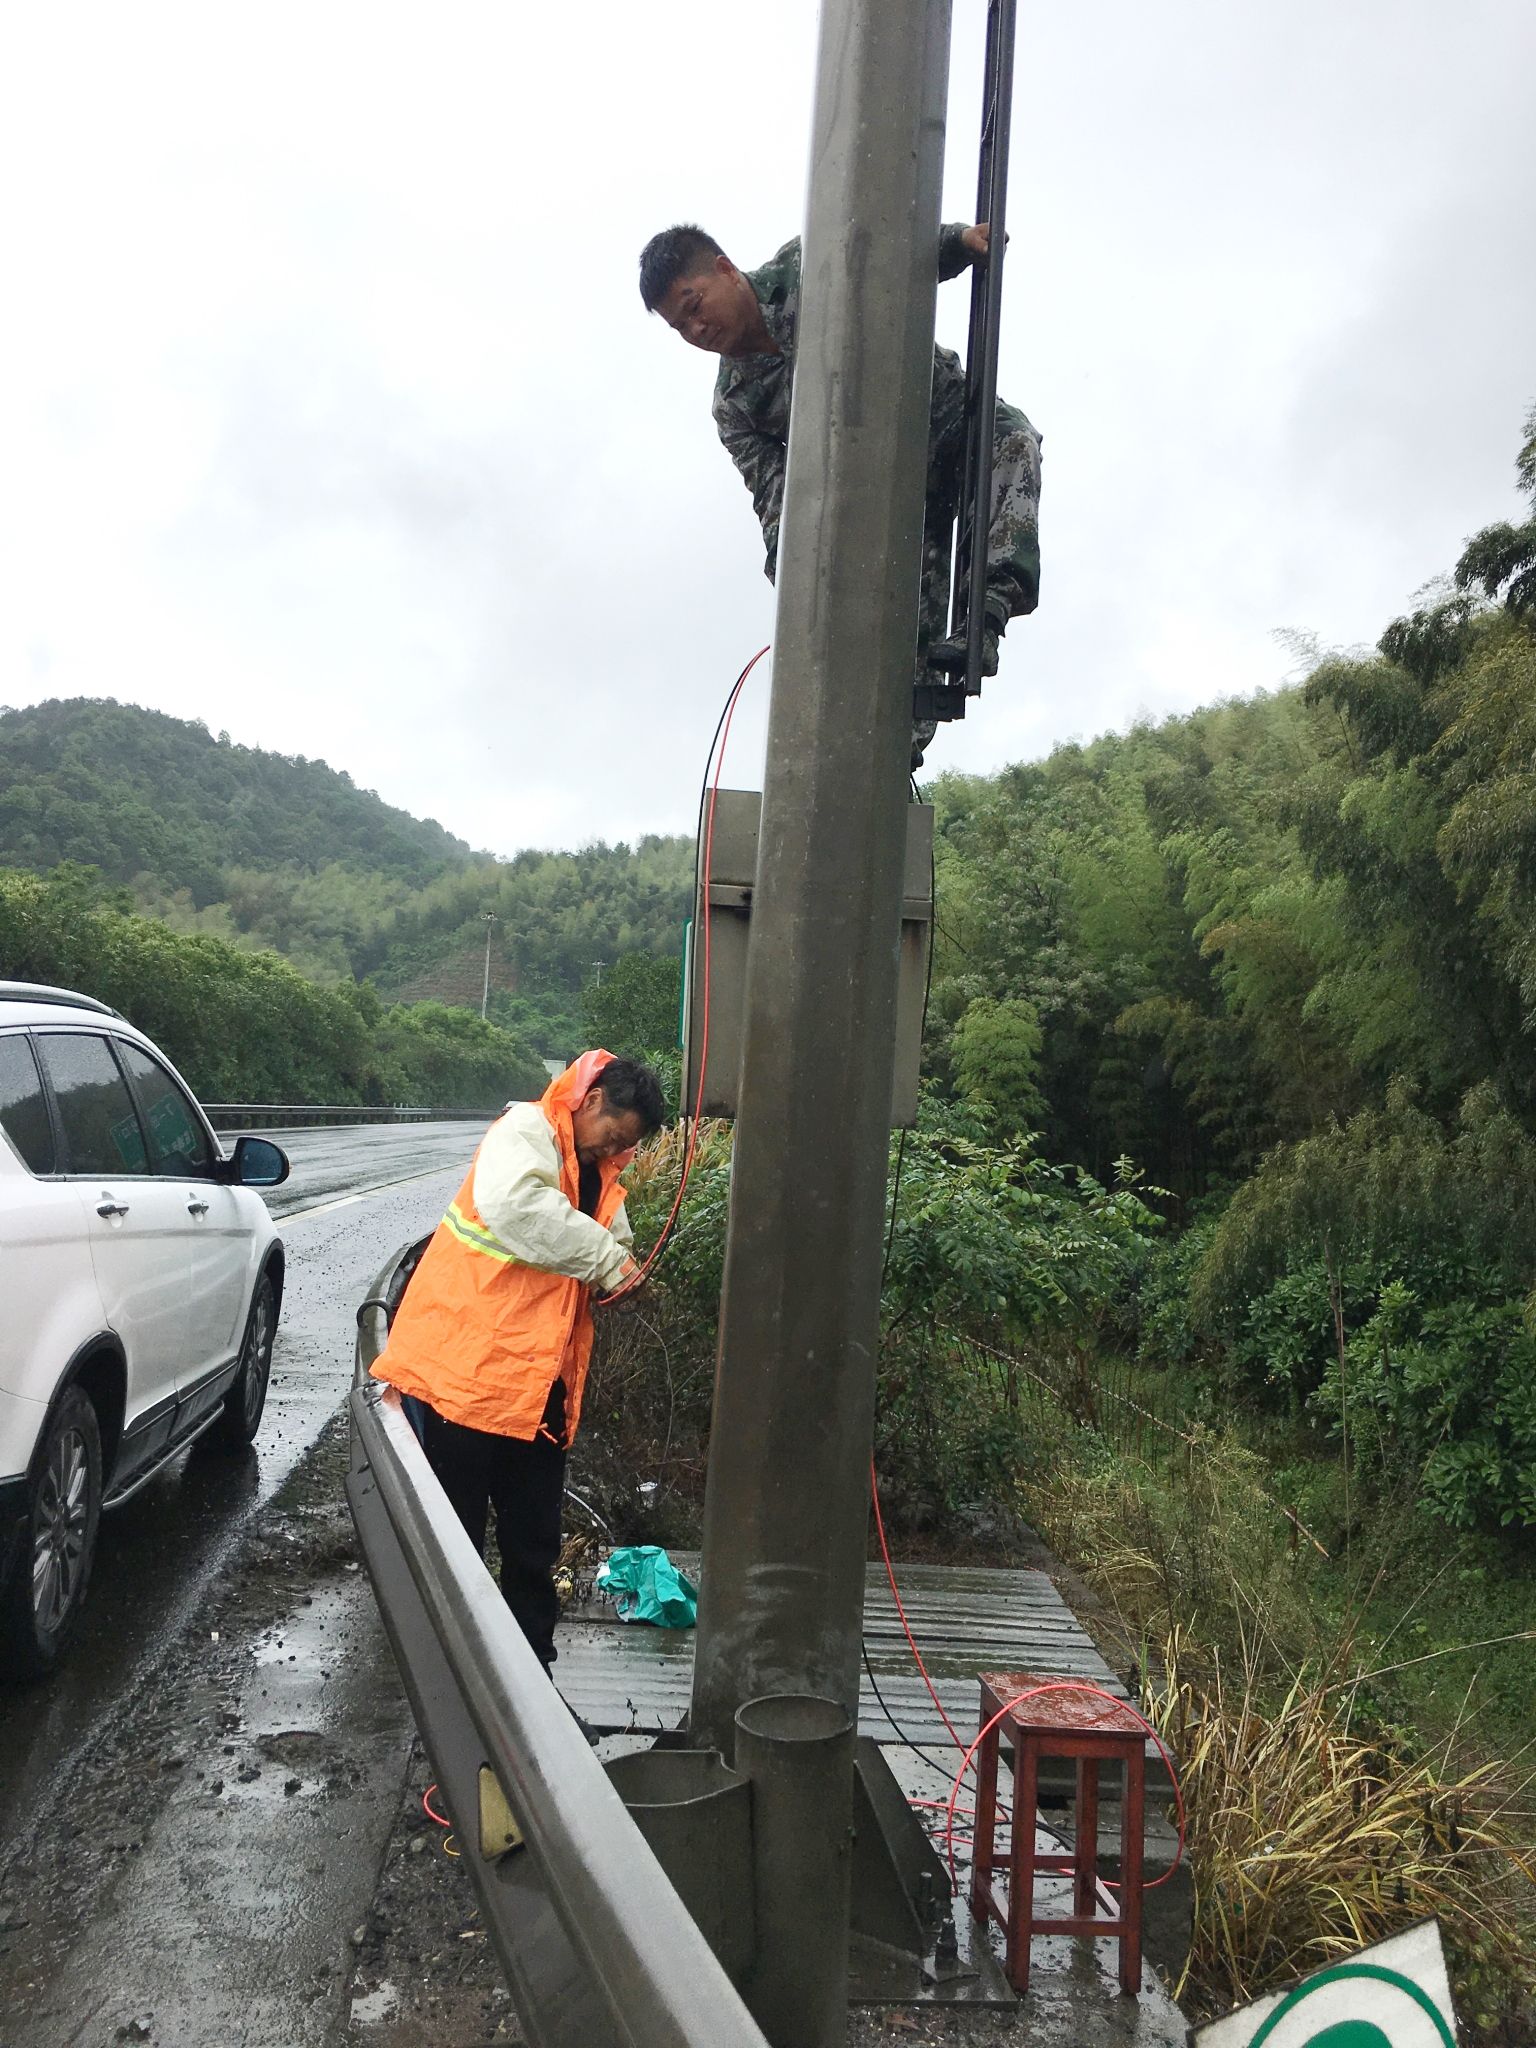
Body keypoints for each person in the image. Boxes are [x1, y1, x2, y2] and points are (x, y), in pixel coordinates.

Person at [639, 220, 1042, 767]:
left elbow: (896, 252)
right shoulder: (734, 406)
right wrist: (799, 581)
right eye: (679, 326)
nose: (696, 329)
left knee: (1013, 441)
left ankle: (988, 614)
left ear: (725, 270)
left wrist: (958, 243)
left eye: (694, 306)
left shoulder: (808, 265)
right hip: (890, 493)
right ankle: (887, 765)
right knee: (901, 648)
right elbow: (775, 500)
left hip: (945, 418)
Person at [372, 1050, 665, 1675]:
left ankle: (532, 1676)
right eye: (614, 1135)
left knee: (533, 1546)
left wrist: (620, 1270)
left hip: (539, 1389)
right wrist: (609, 1263)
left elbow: (613, 1241)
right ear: (591, 1102)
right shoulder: (525, 1131)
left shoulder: (599, 1169)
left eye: (626, 1145)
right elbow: (518, 1209)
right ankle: (452, 1676)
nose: (615, 1150)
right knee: (457, 1541)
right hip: (465, 1379)